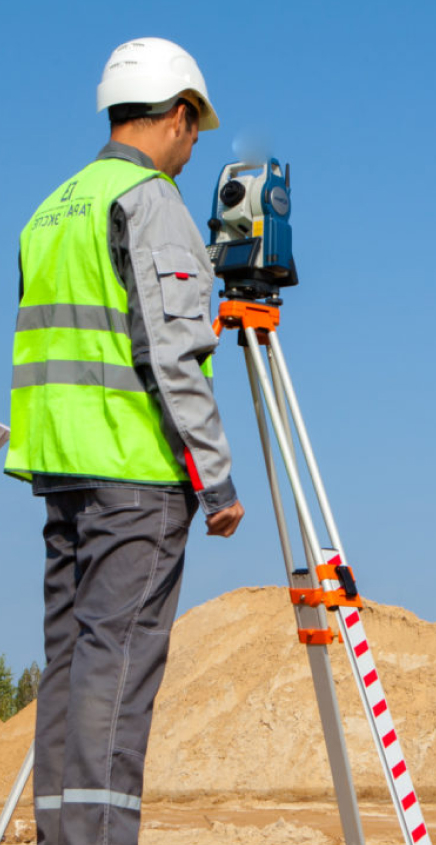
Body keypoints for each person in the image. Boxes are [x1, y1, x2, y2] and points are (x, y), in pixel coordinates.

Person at [5, 37, 244, 845]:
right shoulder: (149, 203)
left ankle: (59, 831)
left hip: (62, 473)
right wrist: (216, 479)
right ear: (177, 114)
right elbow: (172, 356)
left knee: (72, 664)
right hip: (134, 475)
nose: (192, 145)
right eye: (193, 128)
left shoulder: (51, 209)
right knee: (118, 668)